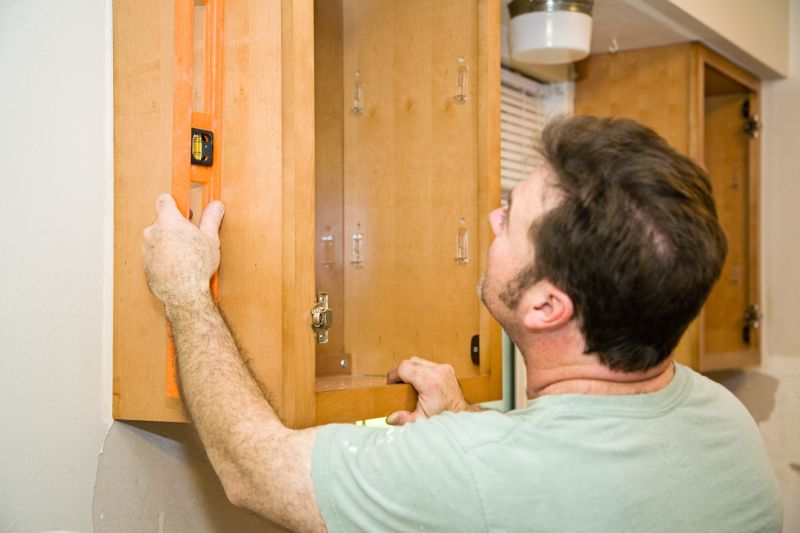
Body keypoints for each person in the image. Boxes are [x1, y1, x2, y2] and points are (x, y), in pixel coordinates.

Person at [142, 115, 782, 532]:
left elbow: (253, 471)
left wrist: (186, 293)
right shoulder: (725, 422)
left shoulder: (479, 472)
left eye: (511, 213)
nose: (492, 219)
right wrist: (465, 427)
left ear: (544, 307)